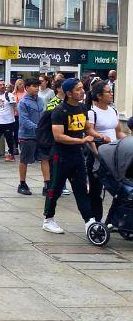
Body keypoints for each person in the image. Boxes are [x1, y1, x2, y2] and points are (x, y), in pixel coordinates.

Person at [42, 78, 101, 234]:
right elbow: (59, 136)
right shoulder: (59, 110)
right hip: (60, 156)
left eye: (82, 88)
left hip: (77, 156)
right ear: (68, 93)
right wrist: (81, 140)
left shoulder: (82, 108)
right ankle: (48, 219)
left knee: (81, 189)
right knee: (54, 189)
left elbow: (88, 129)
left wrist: (100, 136)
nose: (82, 91)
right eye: (78, 89)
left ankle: (89, 221)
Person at [86, 80, 124, 221]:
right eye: (108, 92)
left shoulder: (113, 110)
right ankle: (96, 220)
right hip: (99, 156)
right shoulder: (92, 112)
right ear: (99, 96)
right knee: (96, 191)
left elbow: (118, 131)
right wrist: (102, 137)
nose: (111, 94)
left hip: (115, 156)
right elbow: (89, 130)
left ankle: (113, 220)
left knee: (119, 189)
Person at [16, 78, 49, 195]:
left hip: (41, 136)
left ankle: (47, 184)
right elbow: (24, 120)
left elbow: (44, 115)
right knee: (24, 159)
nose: (36, 88)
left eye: (37, 86)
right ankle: (22, 183)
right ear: (26, 88)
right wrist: (38, 127)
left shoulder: (40, 100)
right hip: (27, 135)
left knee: (44, 158)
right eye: (34, 86)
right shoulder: (23, 102)